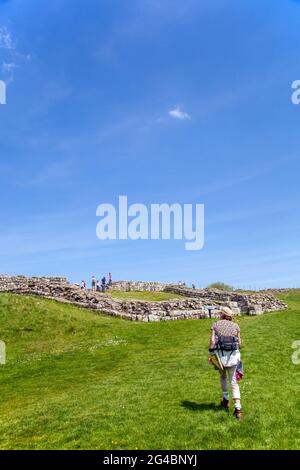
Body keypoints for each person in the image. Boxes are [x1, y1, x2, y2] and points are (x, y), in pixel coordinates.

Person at [208, 306, 243, 420]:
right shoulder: (236, 326)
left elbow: (213, 341)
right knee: (233, 381)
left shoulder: (215, 325)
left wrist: (211, 355)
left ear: (222, 314)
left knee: (222, 376)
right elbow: (240, 343)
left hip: (221, 357)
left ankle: (226, 400)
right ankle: (238, 409)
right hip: (233, 357)